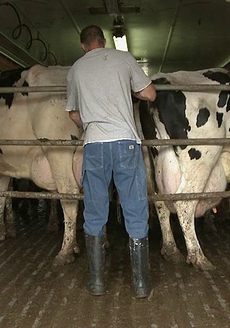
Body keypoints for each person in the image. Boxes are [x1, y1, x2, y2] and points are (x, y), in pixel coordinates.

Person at [66, 25, 156, 299]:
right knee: (135, 208)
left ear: (83, 45)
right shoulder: (124, 58)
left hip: (94, 146)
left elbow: (72, 114)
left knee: (94, 211)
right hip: (125, 143)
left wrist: (92, 124)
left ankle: (96, 282)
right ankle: (140, 284)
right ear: (105, 42)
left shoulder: (75, 70)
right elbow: (150, 94)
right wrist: (133, 93)